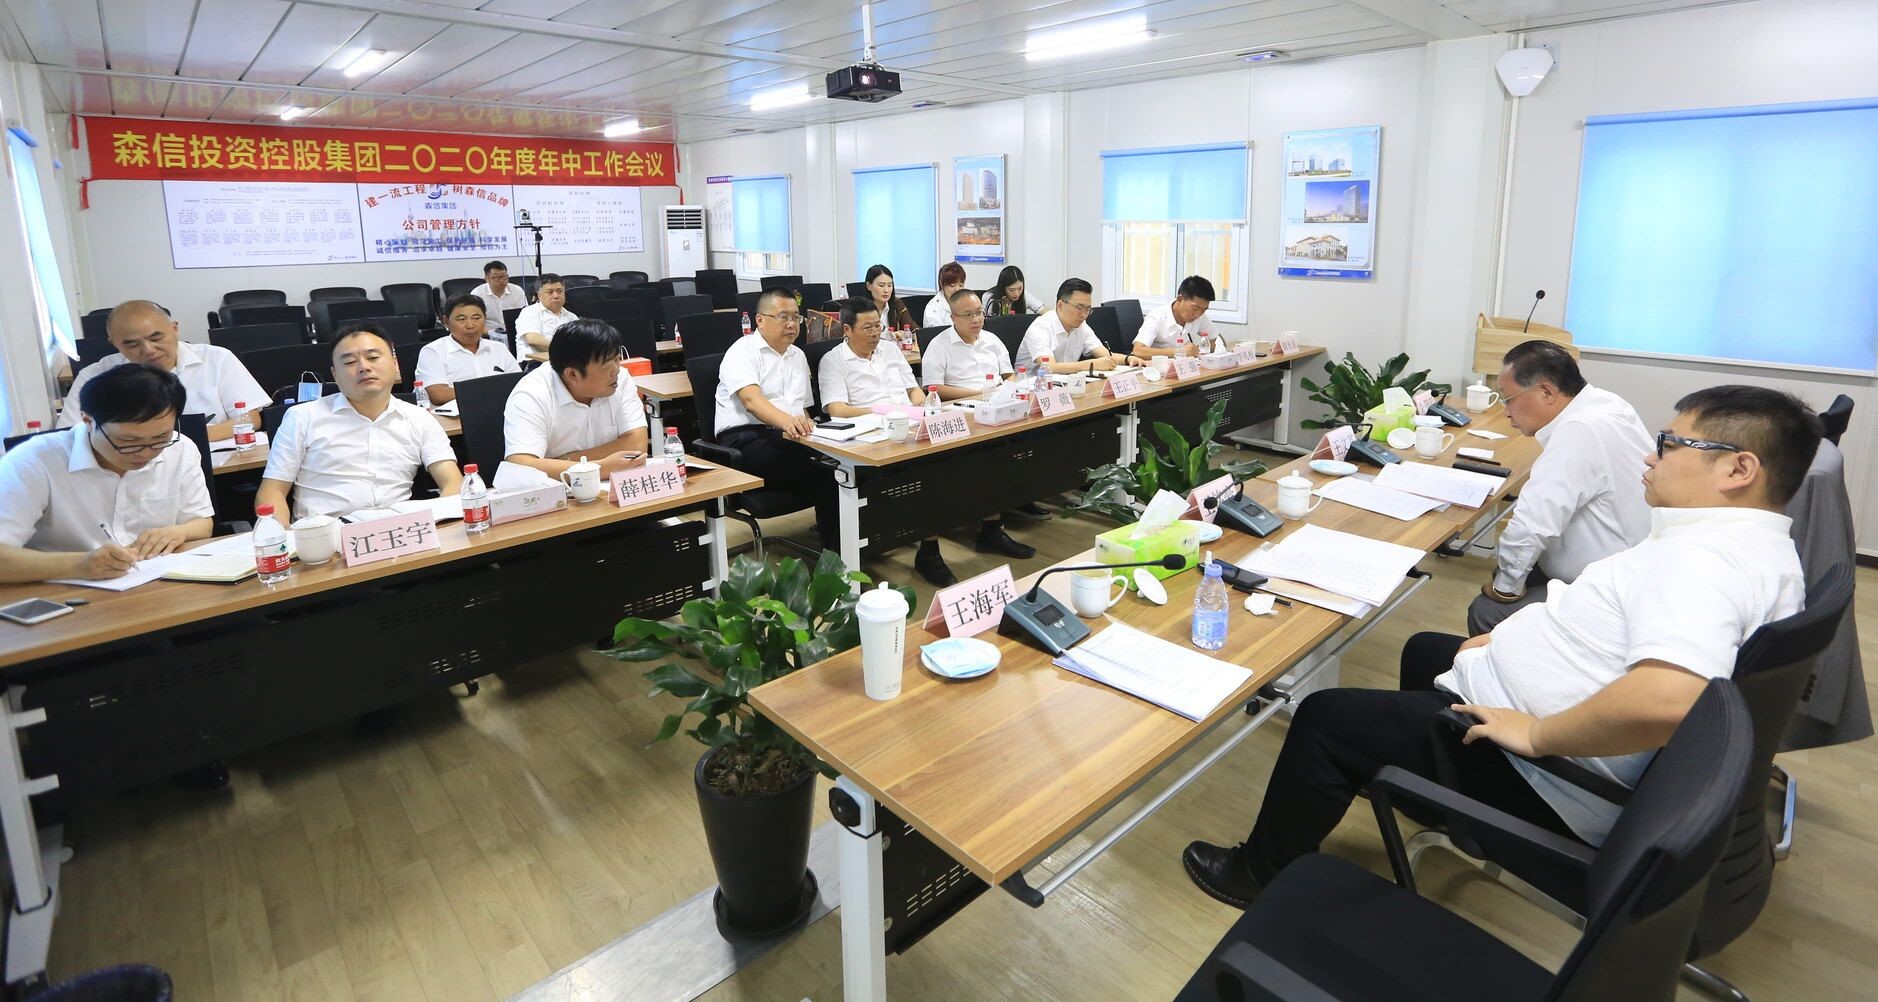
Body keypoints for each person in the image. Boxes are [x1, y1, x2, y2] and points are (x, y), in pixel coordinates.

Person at [1181, 385, 1820, 909]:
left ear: (1739, 469)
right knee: (1429, 649)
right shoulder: (1753, 546)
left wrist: (1537, 734)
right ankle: (1419, 788)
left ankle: (1259, 874)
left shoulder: (1703, 562)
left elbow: (1667, 700)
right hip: (1548, 719)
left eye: (1671, 445)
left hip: (1554, 776)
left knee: (1327, 718)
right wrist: (1510, 638)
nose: (1650, 459)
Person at [819, 298, 1031, 583]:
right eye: (867, 328)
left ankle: (991, 527)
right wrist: (886, 410)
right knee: (930, 471)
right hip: (870, 436)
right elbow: (837, 410)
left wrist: (923, 407)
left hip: (911, 424)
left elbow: (914, 390)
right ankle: (929, 551)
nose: (875, 333)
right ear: (847, 329)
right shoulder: (833, 360)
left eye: (877, 326)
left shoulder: (890, 350)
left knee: (983, 453)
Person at [1467, 341, 1653, 634]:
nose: (1506, 411)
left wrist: (1505, 589)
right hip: (1636, 568)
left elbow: (1531, 523)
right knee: (1515, 565)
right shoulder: (1606, 403)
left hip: (1610, 593)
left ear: (1546, 391)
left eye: (1508, 398)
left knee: (1487, 611)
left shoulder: (1579, 430)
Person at [0, 363, 213, 584]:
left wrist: (179, 531)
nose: (146, 452)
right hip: (66, 592)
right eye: (129, 441)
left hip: (158, 585)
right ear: (88, 422)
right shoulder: (33, 462)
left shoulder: (180, 449)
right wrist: (78, 565)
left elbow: (201, 522)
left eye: (160, 438)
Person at [257, 323, 463, 523]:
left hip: (399, 531)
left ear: (395, 364)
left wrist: (436, 525)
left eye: (373, 357)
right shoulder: (303, 417)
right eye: (349, 362)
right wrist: (285, 538)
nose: (364, 367)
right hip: (325, 534)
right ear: (335, 374)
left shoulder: (419, 418)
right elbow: (272, 491)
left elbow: (452, 482)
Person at [713, 289, 839, 543]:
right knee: (829, 473)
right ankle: (837, 553)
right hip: (745, 440)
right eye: (784, 317)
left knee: (846, 462)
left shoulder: (797, 355)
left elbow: (802, 408)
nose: (792, 324)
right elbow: (751, 401)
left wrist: (812, 430)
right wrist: (789, 423)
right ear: (760, 320)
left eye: (796, 317)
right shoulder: (742, 352)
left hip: (790, 436)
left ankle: (858, 538)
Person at [61, 299, 267, 442]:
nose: (148, 350)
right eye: (132, 344)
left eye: (156, 338)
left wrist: (173, 440)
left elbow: (250, 418)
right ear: (114, 343)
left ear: (174, 328)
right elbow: (70, 434)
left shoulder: (216, 359)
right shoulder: (95, 377)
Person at [503, 318, 650, 480]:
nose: (616, 370)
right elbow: (521, 465)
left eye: (617, 359)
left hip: (607, 486)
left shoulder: (620, 379)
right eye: (607, 365)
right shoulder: (532, 393)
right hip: (558, 490)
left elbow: (637, 444)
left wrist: (565, 461)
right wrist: (599, 468)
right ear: (572, 374)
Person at [1017, 278, 1142, 373]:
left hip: (1064, 386)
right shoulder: (1040, 328)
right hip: (1028, 389)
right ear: (1060, 305)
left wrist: (1128, 359)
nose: (1084, 315)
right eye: (1079, 307)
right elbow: (1050, 367)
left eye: (1088, 309)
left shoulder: (1082, 326)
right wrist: (1092, 364)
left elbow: (1105, 355)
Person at [413, 295, 519, 406]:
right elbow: (438, 395)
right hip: (453, 414)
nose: (470, 325)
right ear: (446, 321)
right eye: (461, 319)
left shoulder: (499, 348)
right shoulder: (433, 351)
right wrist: (490, 391)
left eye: (476, 318)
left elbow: (518, 382)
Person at [919, 289, 1014, 401]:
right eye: (968, 315)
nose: (976, 320)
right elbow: (934, 387)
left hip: (998, 400)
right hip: (962, 403)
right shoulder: (938, 345)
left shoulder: (992, 339)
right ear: (953, 318)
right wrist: (979, 394)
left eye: (979, 313)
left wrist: (1005, 392)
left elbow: (1009, 375)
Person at [1133, 276, 1217, 358]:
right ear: (1180, 299)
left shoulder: (1200, 315)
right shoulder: (1157, 316)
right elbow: (1138, 350)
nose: (1198, 314)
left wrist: (1198, 349)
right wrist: (1179, 351)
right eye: (1195, 308)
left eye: (1204, 310)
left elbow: (1216, 341)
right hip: (1160, 365)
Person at [514, 273, 579, 363]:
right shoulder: (529, 312)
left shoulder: (571, 317)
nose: (556, 296)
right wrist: (563, 351)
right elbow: (533, 340)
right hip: (534, 363)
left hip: (563, 362)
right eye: (550, 292)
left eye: (559, 291)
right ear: (539, 295)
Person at [472, 260, 528, 335]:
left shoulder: (517, 291)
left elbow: (525, 316)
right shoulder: (477, 294)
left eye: (504, 276)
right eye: (496, 277)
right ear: (487, 279)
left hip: (514, 333)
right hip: (488, 334)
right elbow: (474, 322)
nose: (501, 280)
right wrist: (492, 334)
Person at [863, 264, 916, 331]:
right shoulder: (861, 310)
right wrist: (891, 335)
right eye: (881, 285)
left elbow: (913, 329)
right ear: (869, 286)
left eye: (889, 285)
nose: (886, 290)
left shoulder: (897, 304)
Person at [924, 262, 968, 329]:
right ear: (942, 284)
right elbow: (936, 333)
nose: (957, 289)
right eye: (952, 285)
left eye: (961, 285)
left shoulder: (967, 302)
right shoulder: (933, 308)